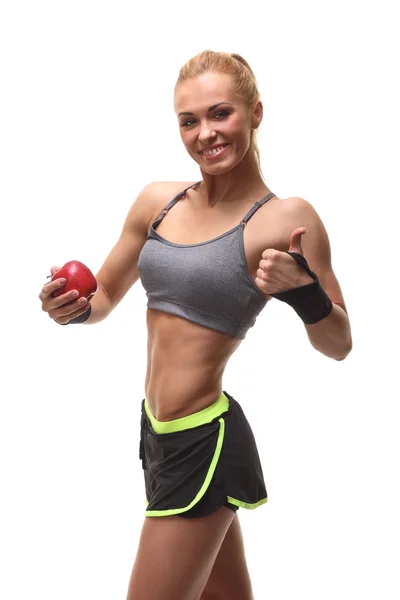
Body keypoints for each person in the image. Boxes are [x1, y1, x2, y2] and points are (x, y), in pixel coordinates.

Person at [39, 50, 352, 600]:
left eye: (220, 114)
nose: (205, 133)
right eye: (189, 120)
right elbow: (107, 292)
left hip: (202, 443)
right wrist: (75, 307)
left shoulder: (284, 219)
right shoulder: (156, 203)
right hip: (156, 435)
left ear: (256, 113)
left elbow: (339, 343)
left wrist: (304, 294)